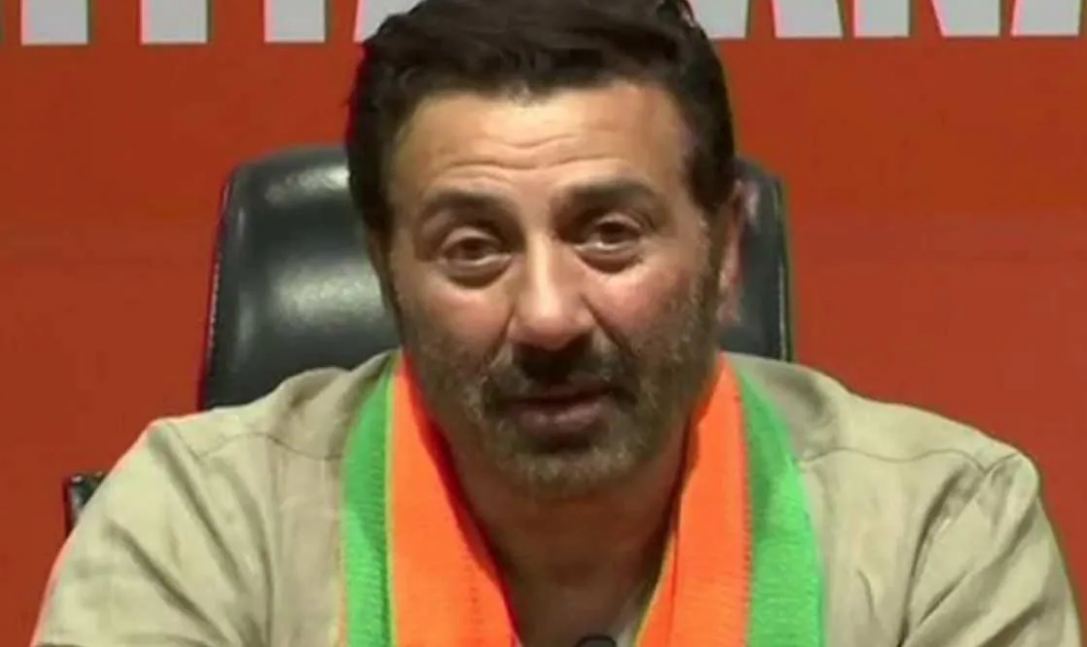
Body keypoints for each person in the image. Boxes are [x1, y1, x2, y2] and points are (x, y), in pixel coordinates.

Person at [32, 0, 1081, 645]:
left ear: (726, 249)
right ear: (385, 270)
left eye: (609, 234)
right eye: (473, 247)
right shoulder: (201, 523)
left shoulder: (938, 529)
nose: (546, 314)